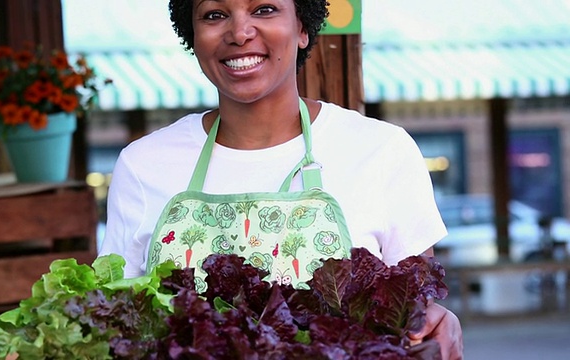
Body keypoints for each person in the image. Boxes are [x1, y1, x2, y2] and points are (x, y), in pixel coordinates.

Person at [99, 0, 463, 358]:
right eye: (214, 14)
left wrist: (436, 321)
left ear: (302, 27)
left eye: (264, 9)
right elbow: (119, 326)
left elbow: (416, 320)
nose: (240, 32)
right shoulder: (142, 165)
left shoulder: (383, 151)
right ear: (193, 35)